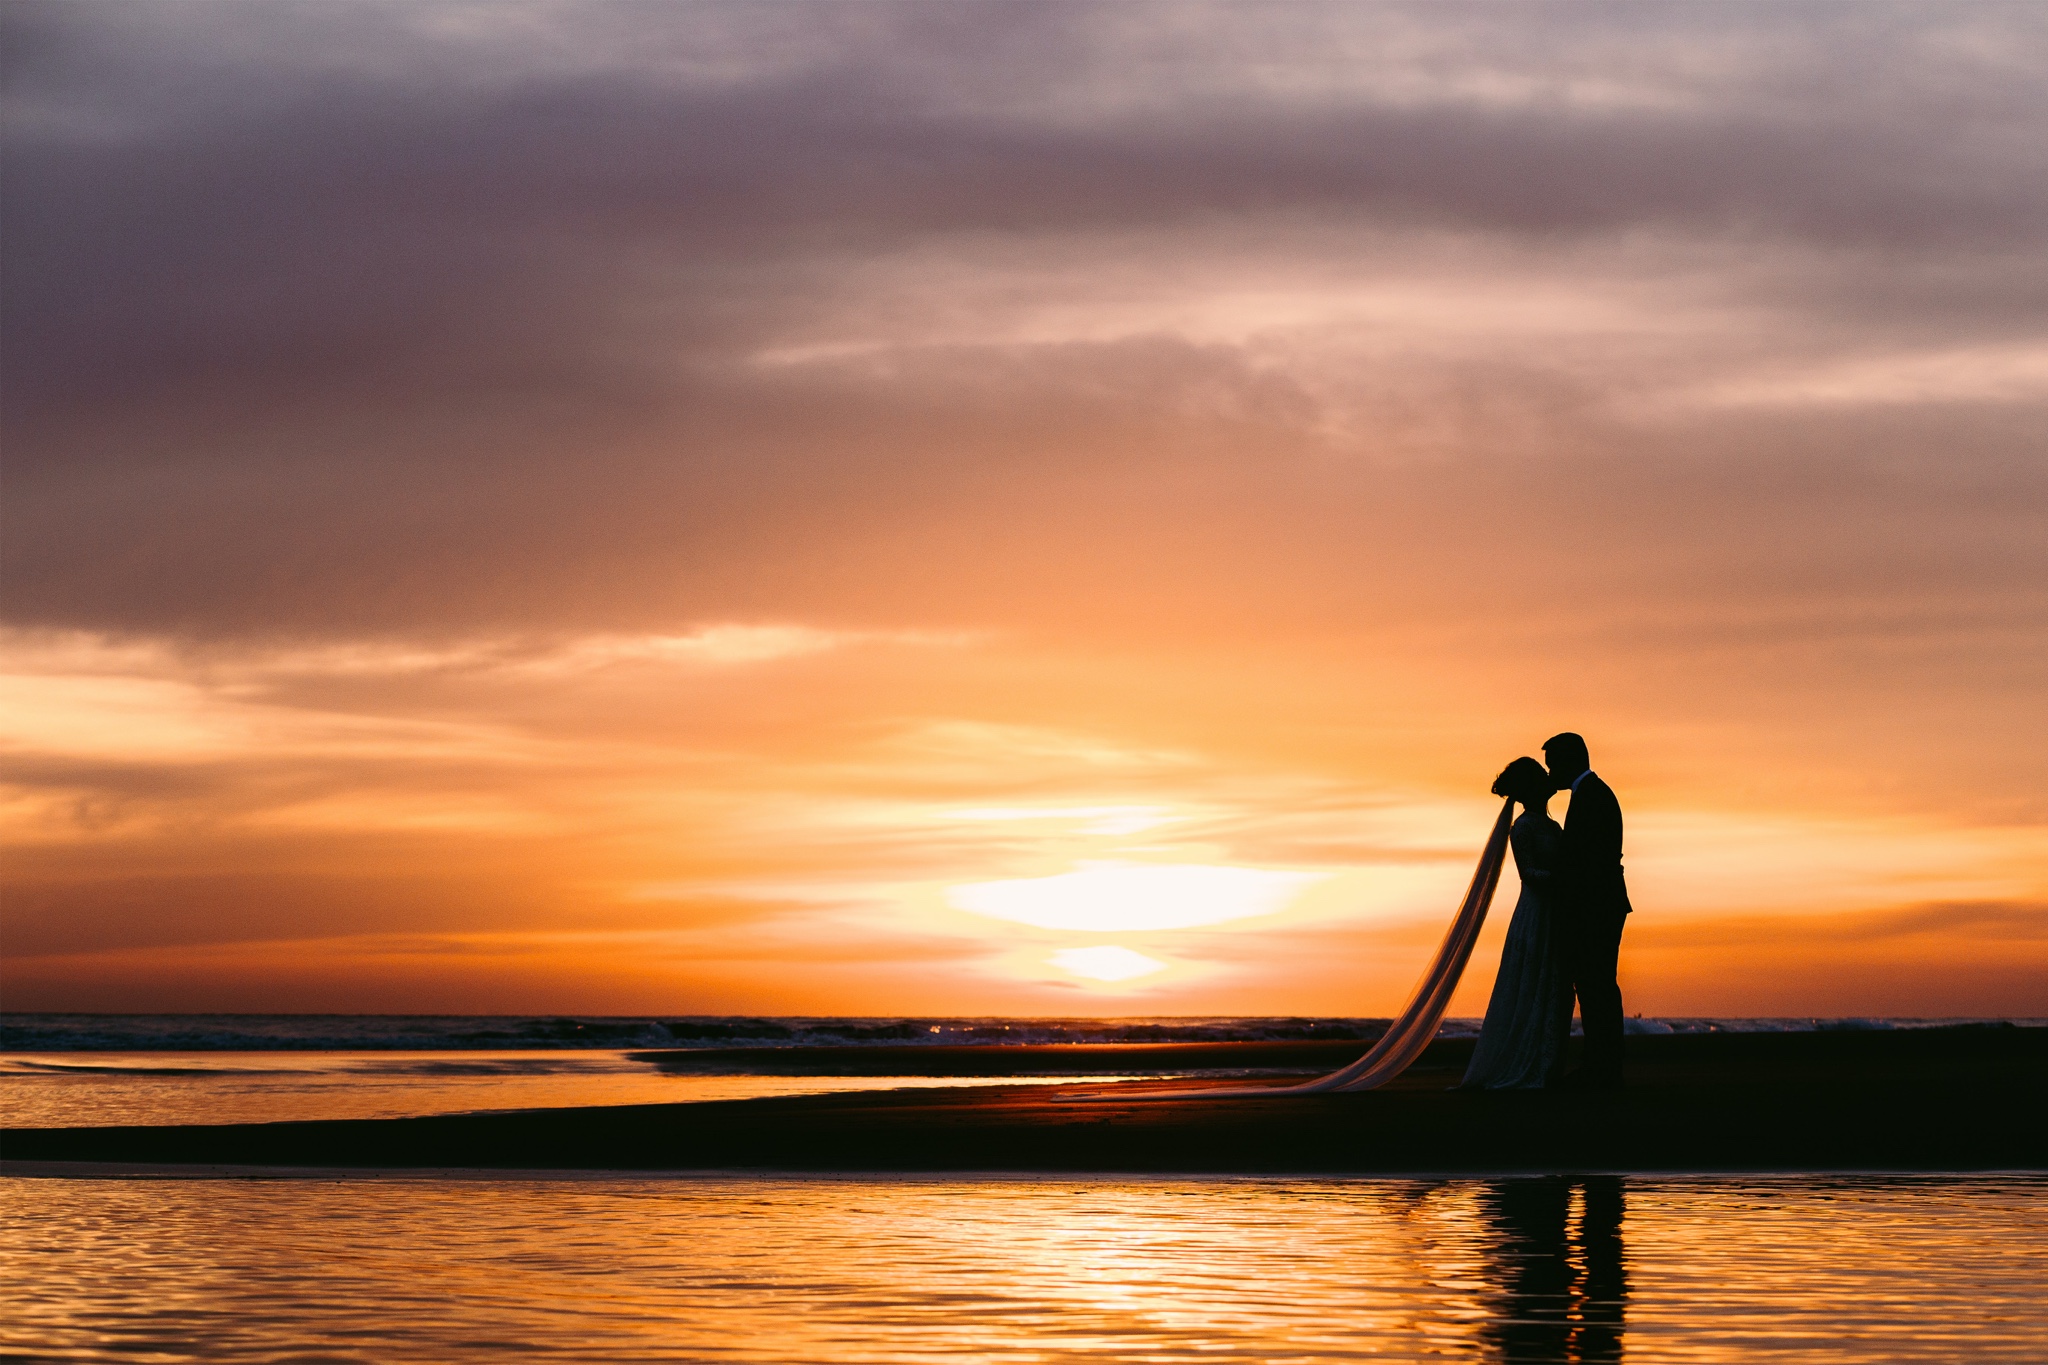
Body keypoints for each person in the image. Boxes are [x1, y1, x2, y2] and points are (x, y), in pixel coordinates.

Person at [1461, 757, 1574, 1088]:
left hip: (1555, 913)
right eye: (1541, 777)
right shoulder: (1523, 828)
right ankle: (1529, 1064)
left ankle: (1547, 1063)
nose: (1548, 780)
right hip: (1537, 915)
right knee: (1535, 984)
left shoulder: (1549, 825)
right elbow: (1531, 875)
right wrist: (1567, 877)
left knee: (1554, 988)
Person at [1543, 731, 1632, 1088]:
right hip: (1601, 904)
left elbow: (1587, 860)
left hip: (1596, 907)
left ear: (1570, 761)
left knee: (1597, 986)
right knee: (1596, 986)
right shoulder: (1592, 794)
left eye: (1553, 767)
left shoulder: (1592, 797)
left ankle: (1602, 1068)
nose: (1551, 775)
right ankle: (1601, 1064)